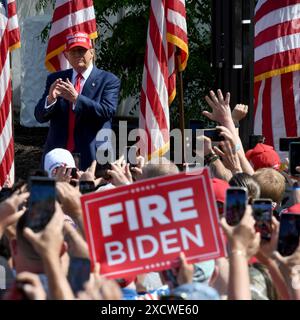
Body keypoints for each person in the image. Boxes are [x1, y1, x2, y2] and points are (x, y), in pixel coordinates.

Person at [35, 32, 121, 170]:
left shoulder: (108, 80)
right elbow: (39, 117)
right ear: (66, 55)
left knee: (92, 191)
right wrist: (50, 99)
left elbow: (107, 111)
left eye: (82, 50)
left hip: (93, 155)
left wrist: (77, 99)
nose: (77, 55)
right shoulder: (56, 79)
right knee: (57, 192)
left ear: (92, 53)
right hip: (59, 155)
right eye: (73, 51)